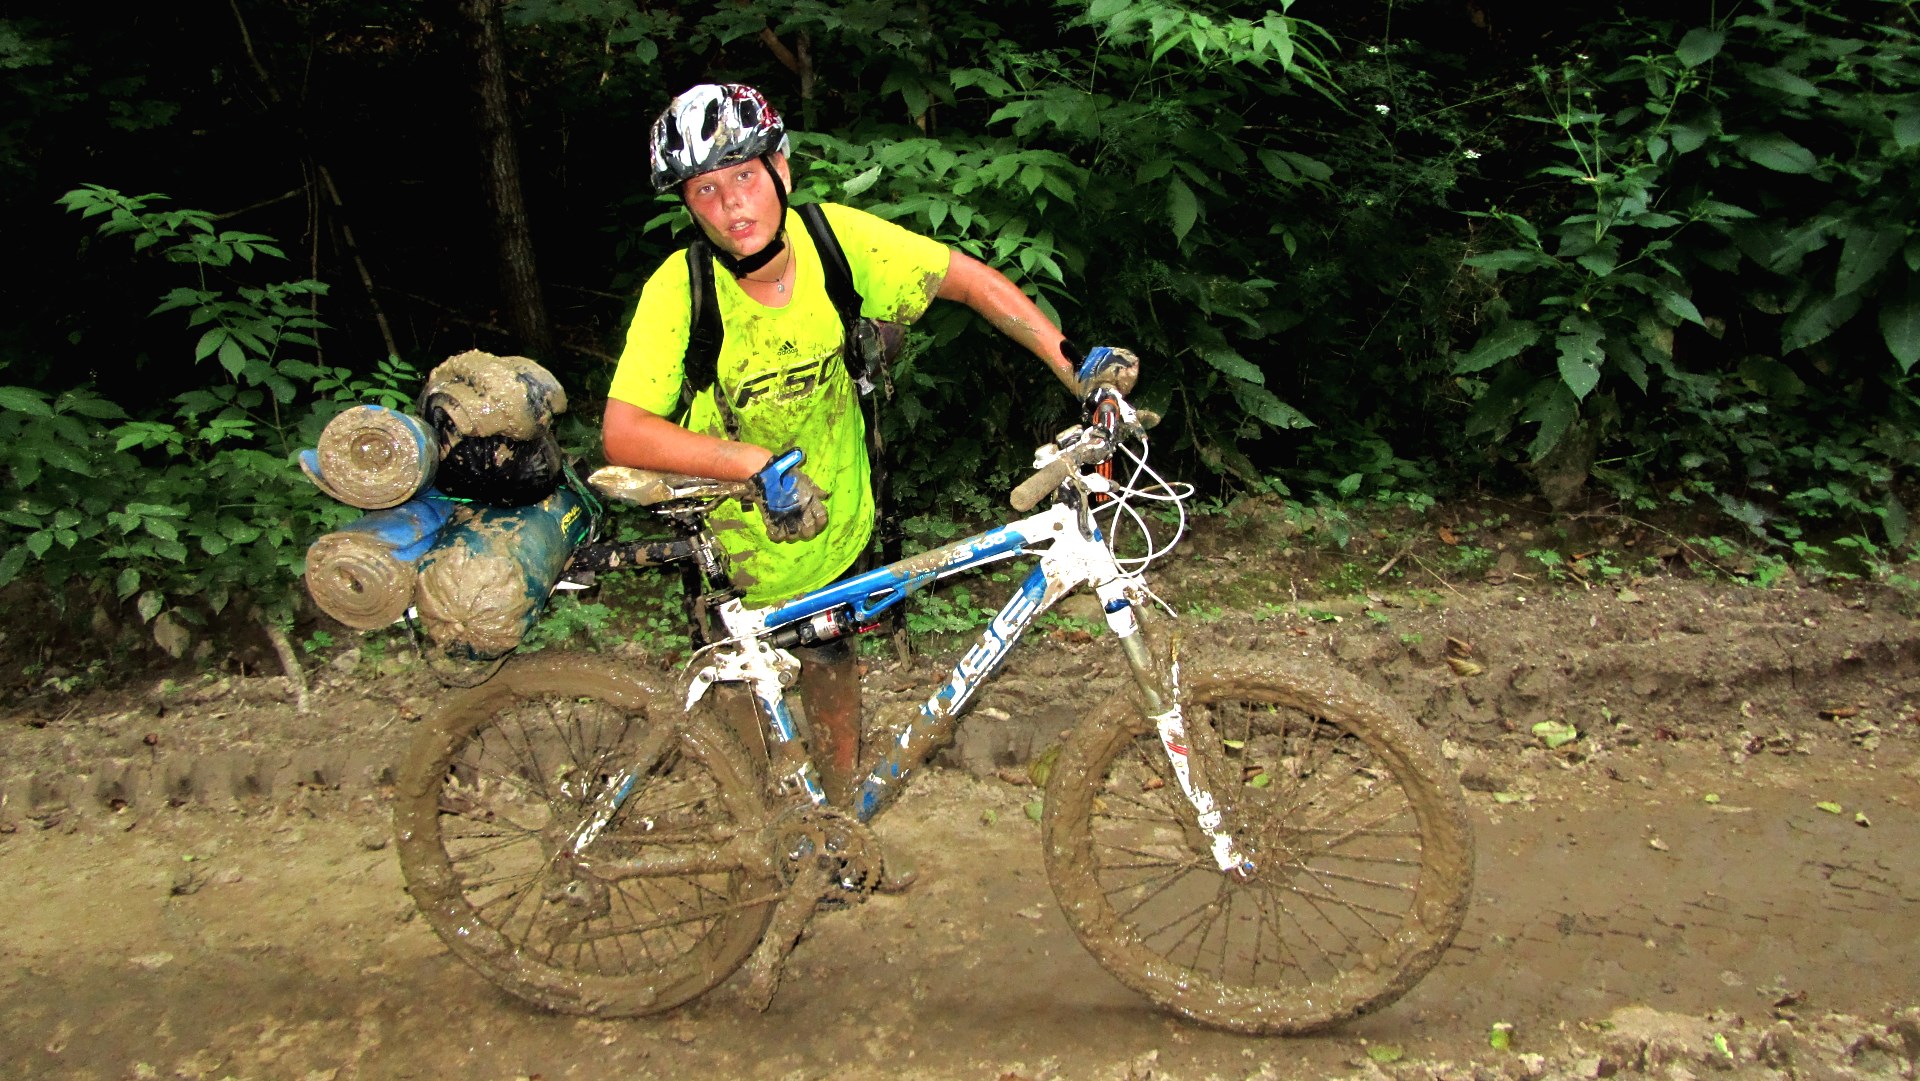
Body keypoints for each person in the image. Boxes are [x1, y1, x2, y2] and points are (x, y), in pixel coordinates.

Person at [601, 82, 1125, 810]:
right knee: (748, 720)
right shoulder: (681, 290)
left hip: (833, 526)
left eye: (745, 176)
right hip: (733, 544)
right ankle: (764, 835)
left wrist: (1074, 367)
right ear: (688, 205)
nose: (731, 205)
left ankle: (839, 821)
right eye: (705, 189)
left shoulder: (833, 243)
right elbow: (623, 430)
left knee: (832, 666)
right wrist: (752, 465)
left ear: (781, 171)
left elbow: (967, 281)